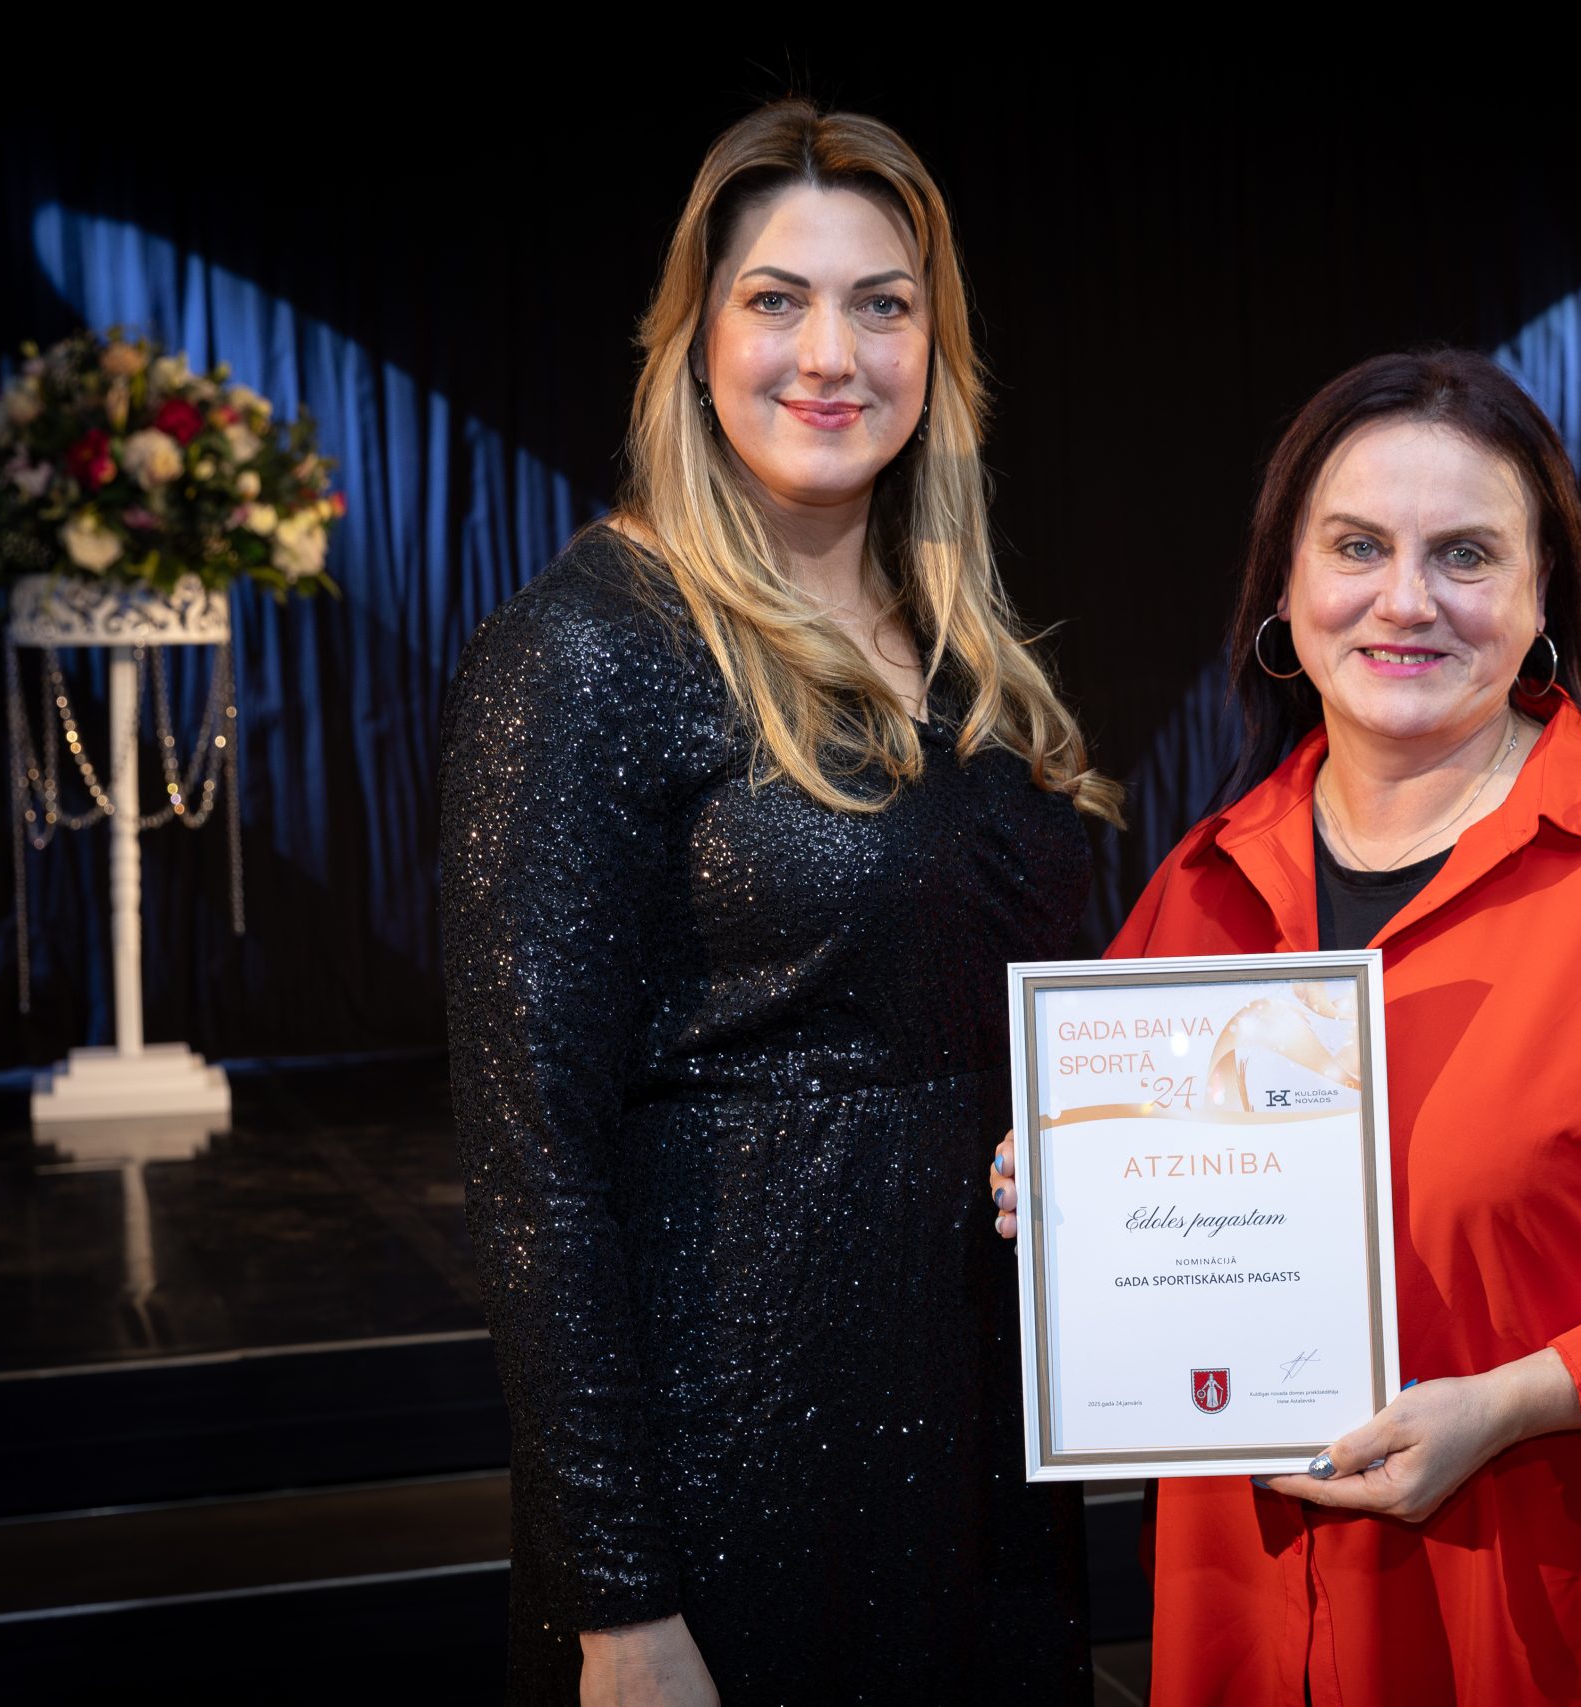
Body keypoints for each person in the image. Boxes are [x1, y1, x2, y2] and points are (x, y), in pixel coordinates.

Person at [993, 347, 1581, 1705]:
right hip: (1252, 1620)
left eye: (1466, 555)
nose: (1405, 599)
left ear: (1543, 601)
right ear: (1286, 588)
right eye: (1357, 546)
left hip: (1538, 1617)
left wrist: (1517, 1401)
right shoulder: (1206, 888)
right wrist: (1063, 1194)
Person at [442, 100, 1116, 1706]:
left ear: (935, 351)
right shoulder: (587, 651)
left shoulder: (958, 648)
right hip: (736, 1480)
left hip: (979, 1449)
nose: (832, 353)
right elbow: (534, 1167)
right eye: (775, 299)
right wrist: (619, 1603)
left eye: (883, 304)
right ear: (695, 342)